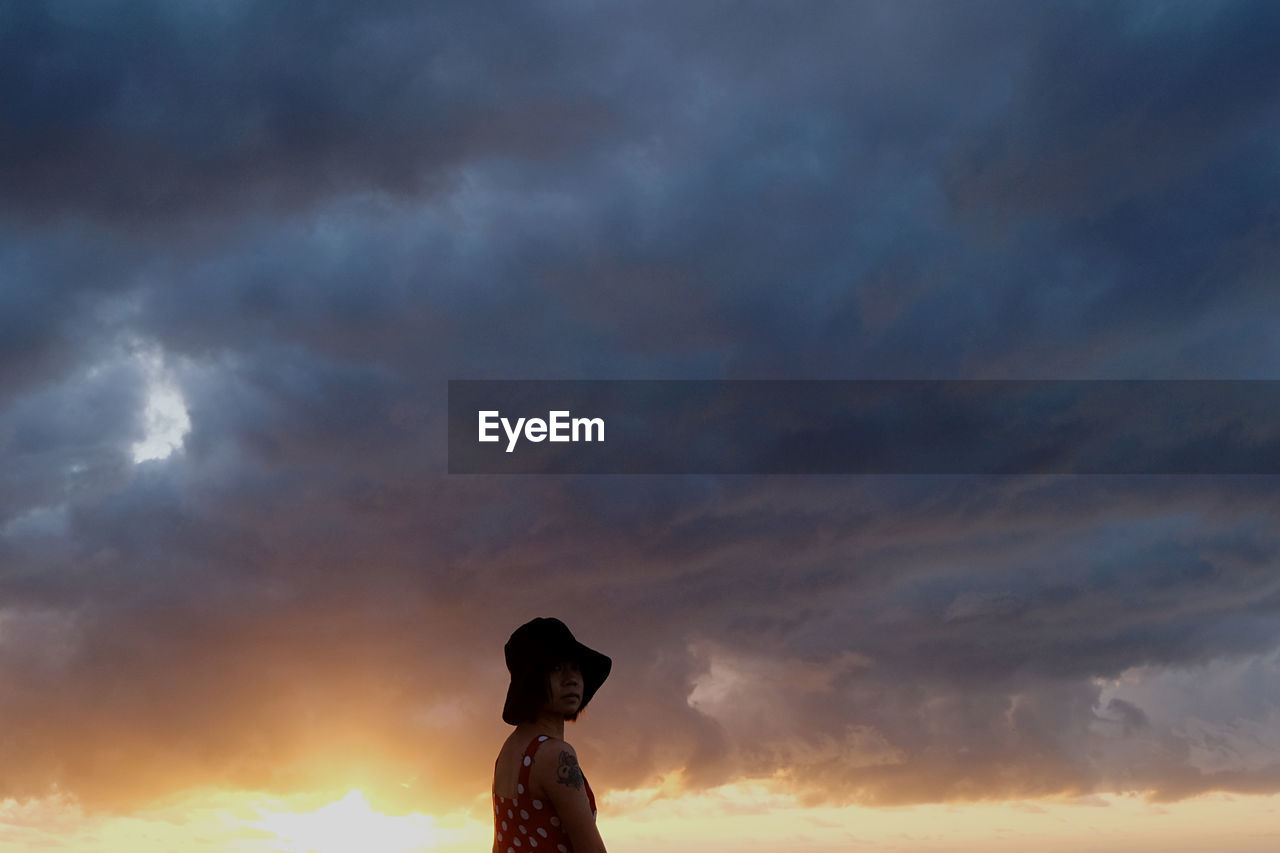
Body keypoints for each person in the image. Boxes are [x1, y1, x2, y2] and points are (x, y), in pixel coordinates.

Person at [493, 617, 611, 853]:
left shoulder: (509, 751)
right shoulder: (555, 754)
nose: (572, 679)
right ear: (531, 680)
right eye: (556, 668)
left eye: (576, 667)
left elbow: (499, 846)